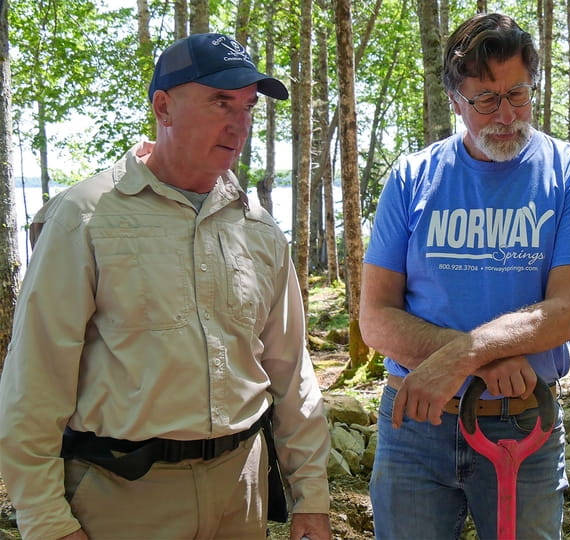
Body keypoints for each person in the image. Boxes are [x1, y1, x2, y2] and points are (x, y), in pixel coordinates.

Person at [0, 33, 332, 540]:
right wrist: (47, 521)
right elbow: (34, 379)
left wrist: (312, 495)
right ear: (163, 107)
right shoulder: (86, 218)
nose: (239, 124)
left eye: (247, 107)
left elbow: (290, 370)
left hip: (242, 491)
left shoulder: (258, 229)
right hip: (123, 495)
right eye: (220, 102)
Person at [359, 12, 570, 540]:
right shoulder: (411, 178)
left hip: (524, 422)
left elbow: (566, 312)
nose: (506, 115)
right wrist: (479, 359)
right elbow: (376, 318)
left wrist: (463, 358)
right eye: (486, 100)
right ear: (455, 101)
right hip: (416, 420)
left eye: (518, 94)